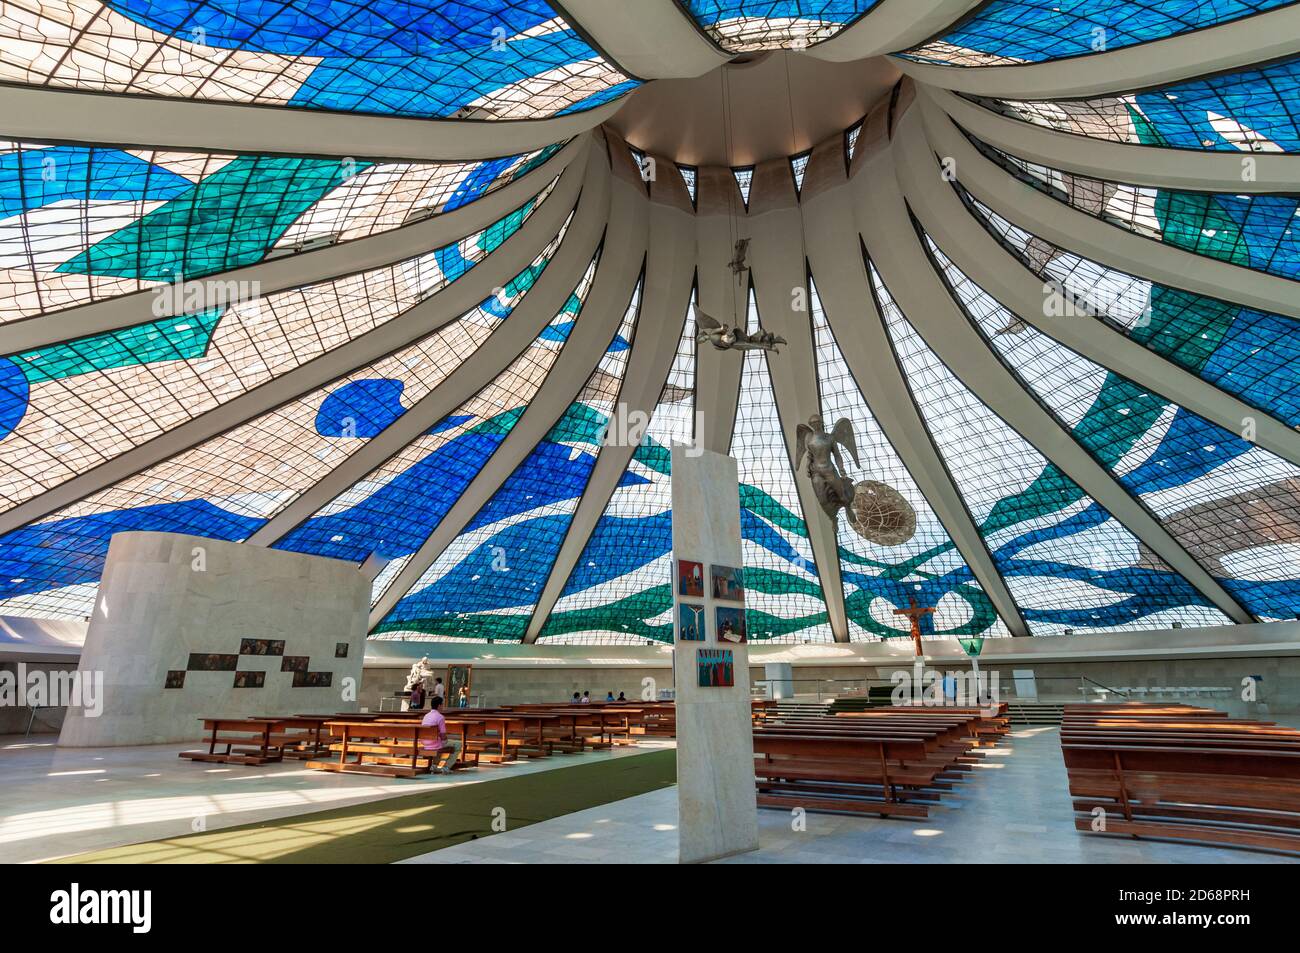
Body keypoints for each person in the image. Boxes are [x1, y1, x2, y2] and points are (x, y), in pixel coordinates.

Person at [421, 696, 459, 773]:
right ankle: (447, 767)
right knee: (458, 744)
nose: (443, 706)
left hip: (425, 743)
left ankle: (434, 766)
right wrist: (445, 741)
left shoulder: (426, 716)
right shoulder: (440, 717)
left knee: (440, 741)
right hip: (435, 744)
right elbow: (443, 735)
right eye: (442, 704)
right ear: (439, 705)